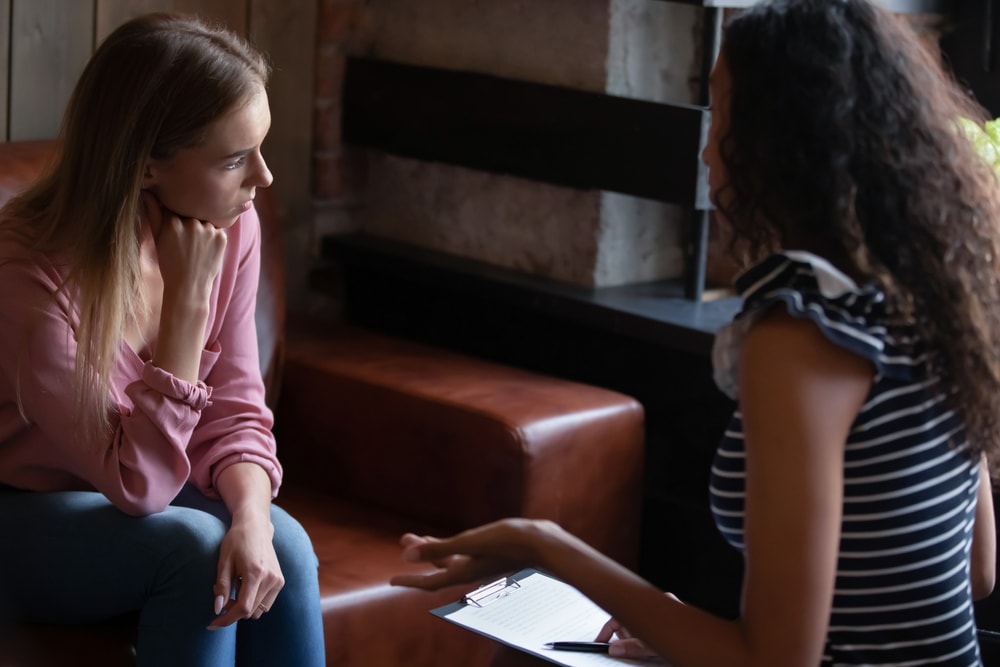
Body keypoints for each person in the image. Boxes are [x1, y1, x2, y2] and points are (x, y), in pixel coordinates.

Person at [391, 0, 1000, 664]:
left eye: (717, 113)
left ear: (779, 136)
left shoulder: (800, 334)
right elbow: (974, 573)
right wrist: (682, 636)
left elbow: (776, 660)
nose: (707, 146)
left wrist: (547, 547)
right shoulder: (933, 298)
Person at [0, 13, 325, 667]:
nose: (263, 179)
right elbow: (138, 484)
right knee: (193, 548)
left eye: (259, 148)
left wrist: (253, 521)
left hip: (132, 501)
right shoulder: (25, 275)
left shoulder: (230, 226)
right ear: (146, 167)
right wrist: (185, 312)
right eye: (235, 159)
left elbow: (235, 414)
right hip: (23, 513)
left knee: (281, 543)